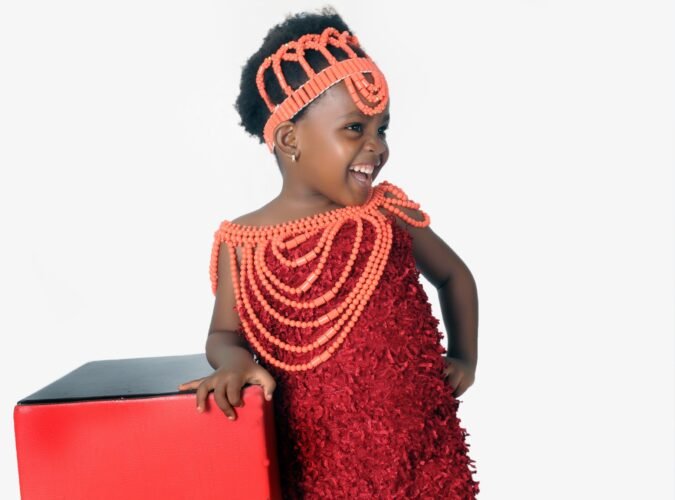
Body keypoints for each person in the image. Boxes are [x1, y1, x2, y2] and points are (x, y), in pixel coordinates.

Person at [178, 7, 480, 498]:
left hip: (424, 456)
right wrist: (233, 362)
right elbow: (222, 334)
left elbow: (455, 277)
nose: (377, 148)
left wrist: (464, 357)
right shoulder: (244, 243)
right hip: (321, 467)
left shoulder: (388, 214)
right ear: (290, 139)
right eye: (355, 128)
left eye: (382, 129)